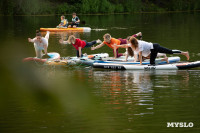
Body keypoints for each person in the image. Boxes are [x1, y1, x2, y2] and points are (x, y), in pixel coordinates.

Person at [113, 37, 189, 65]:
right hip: (151, 51)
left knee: (170, 51)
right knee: (151, 62)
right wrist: (117, 46)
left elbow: (140, 54)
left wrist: (140, 64)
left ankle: (184, 53)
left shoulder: (139, 45)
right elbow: (125, 45)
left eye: (130, 42)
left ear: (133, 42)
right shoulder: (133, 44)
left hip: (155, 47)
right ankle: (164, 59)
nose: (129, 44)